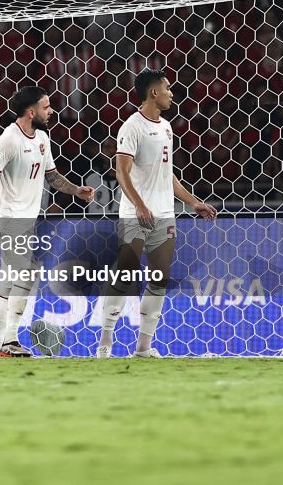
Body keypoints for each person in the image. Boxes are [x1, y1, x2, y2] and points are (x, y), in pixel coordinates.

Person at [0, 86, 94, 357]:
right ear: (31, 112)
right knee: (21, 274)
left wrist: (76, 190)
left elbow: (52, 176)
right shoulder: (9, 139)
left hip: (25, 219)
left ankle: (4, 343)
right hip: (7, 217)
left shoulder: (42, 138)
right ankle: (1, 344)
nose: (51, 111)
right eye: (46, 107)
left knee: (17, 276)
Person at [97, 70, 217, 358]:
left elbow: (168, 175)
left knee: (159, 279)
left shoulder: (166, 127)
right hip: (135, 215)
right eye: (167, 88)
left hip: (164, 214)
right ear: (153, 92)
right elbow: (121, 172)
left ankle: (143, 348)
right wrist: (139, 205)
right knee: (125, 276)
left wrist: (193, 202)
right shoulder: (131, 127)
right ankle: (105, 344)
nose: (171, 93)